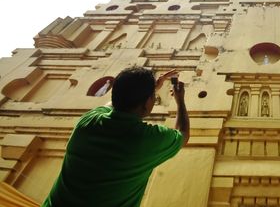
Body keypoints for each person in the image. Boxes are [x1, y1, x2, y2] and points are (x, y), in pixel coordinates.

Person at [42, 66, 189, 207]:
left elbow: (114, 103)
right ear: (147, 102)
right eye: (153, 96)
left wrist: (149, 91)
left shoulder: (88, 121)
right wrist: (180, 100)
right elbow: (183, 133)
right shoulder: (146, 139)